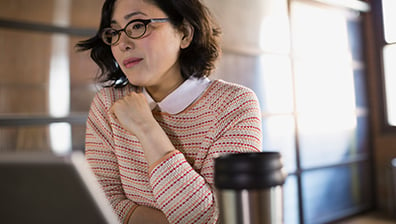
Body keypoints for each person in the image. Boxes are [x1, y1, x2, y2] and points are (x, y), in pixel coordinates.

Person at [76, 0, 262, 223]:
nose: (122, 43)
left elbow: (213, 218)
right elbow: (99, 201)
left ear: (184, 33)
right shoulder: (107, 103)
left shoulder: (234, 104)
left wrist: (146, 128)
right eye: (114, 32)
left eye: (137, 25)